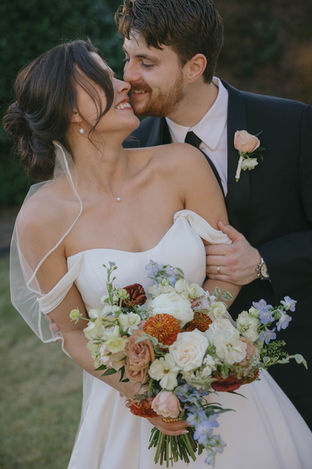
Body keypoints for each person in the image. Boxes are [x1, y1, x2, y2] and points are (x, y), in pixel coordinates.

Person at [3, 39, 312, 469]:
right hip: (132, 411)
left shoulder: (182, 163)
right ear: (72, 111)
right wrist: (145, 393)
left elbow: (224, 274)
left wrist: (199, 345)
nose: (123, 83)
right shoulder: (40, 220)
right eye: (104, 78)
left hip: (223, 387)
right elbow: (71, 332)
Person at [116, 0, 312, 428]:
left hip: (298, 364)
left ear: (194, 66)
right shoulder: (132, 150)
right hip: (191, 386)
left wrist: (262, 262)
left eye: (146, 62)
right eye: (127, 57)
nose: (128, 75)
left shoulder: (291, 125)